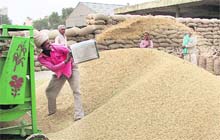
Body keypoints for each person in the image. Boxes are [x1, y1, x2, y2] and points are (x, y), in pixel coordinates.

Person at [34, 31, 84, 121]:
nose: (49, 43)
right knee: (49, 92)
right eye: (46, 44)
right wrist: (65, 61)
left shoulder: (56, 47)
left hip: (71, 68)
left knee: (76, 91)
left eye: (48, 41)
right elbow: (53, 68)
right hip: (60, 72)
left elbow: (68, 51)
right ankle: (52, 113)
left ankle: (79, 115)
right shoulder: (41, 58)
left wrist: (70, 54)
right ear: (42, 47)